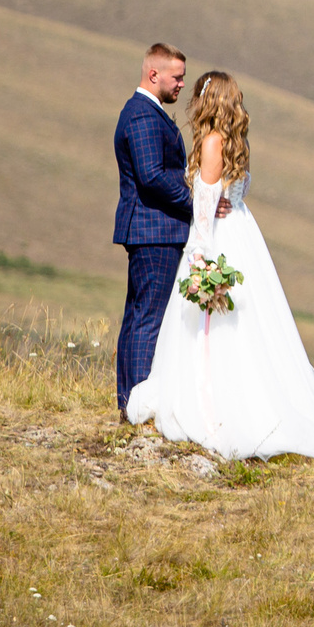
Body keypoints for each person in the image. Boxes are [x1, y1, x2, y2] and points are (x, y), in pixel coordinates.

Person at [125, 70, 314, 479]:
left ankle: (212, 411)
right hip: (242, 232)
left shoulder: (213, 141)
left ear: (207, 101)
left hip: (217, 237)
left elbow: (204, 205)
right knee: (244, 329)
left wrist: (199, 255)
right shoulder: (237, 142)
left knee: (211, 326)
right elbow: (236, 190)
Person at [113, 42, 203, 416]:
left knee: (139, 317)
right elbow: (151, 177)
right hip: (156, 232)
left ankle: (130, 401)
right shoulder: (142, 116)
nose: (182, 84)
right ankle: (137, 403)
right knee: (149, 319)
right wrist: (197, 200)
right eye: (177, 77)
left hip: (153, 230)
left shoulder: (147, 113)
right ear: (154, 74)